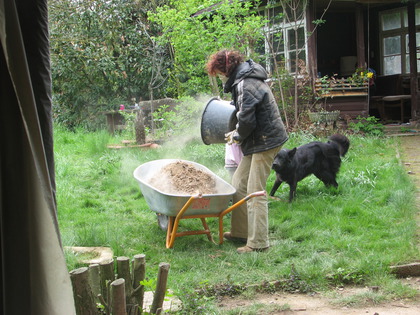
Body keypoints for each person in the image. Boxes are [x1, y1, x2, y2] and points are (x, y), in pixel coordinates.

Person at [206, 49, 288, 253]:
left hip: (266, 140)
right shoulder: (242, 79)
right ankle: (241, 232)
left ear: (226, 68)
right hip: (257, 140)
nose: (221, 76)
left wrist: (236, 135)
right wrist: (239, 133)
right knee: (239, 184)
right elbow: (243, 113)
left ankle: (258, 243)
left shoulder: (245, 82)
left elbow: (247, 119)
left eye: (220, 72)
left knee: (255, 191)